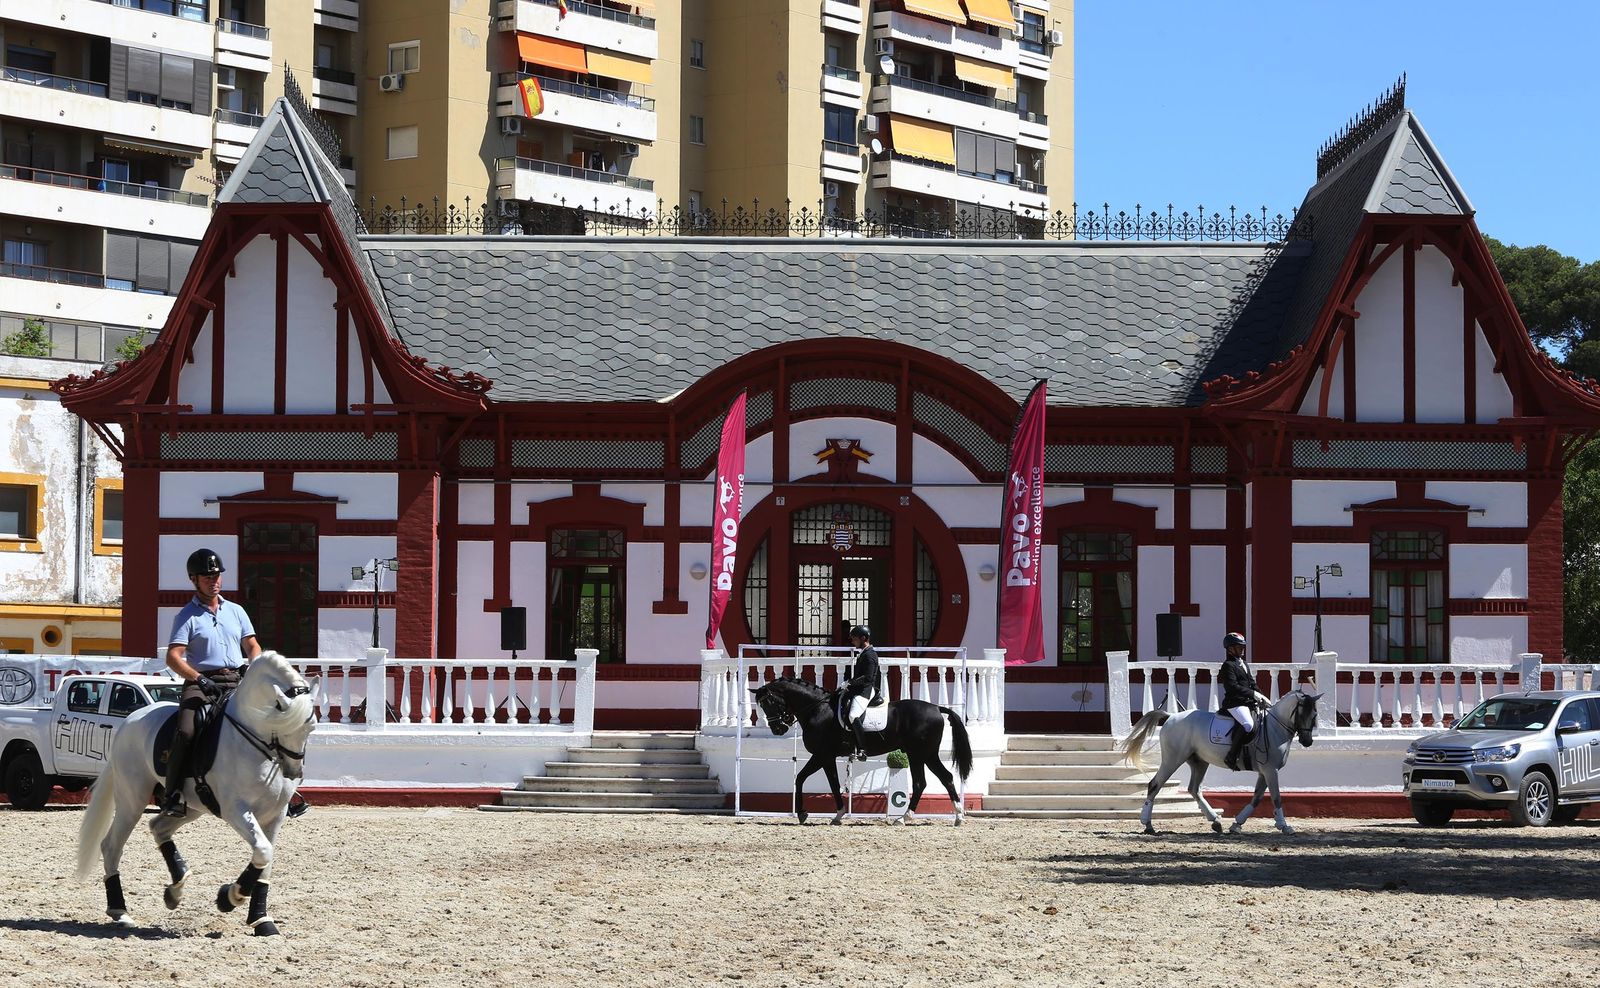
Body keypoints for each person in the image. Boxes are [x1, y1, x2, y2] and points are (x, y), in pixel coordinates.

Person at [161, 547, 262, 817]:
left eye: (217, 576)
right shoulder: (186, 616)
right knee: (186, 731)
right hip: (202, 683)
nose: (214, 581)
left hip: (237, 680)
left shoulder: (237, 611)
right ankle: (172, 794)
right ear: (194, 579)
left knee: (269, 721)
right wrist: (198, 679)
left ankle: (282, 788)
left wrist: (256, 668)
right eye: (207, 577)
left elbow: (252, 645)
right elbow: (173, 657)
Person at [1219, 631, 1268, 771]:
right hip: (1235, 703)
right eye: (1239, 647)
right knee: (1247, 724)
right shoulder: (1228, 665)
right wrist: (1252, 694)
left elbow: (1252, 683)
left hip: (1247, 702)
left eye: (1243, 646)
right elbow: (1232, 687)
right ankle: (1231, 756)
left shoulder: (1244, 664)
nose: (1242, 649)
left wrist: (1262, 696)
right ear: (1230, 649)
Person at [842, 624, 882, 761]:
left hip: (867, 690)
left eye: (854, 639)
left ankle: (863, 749)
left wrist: (851, 683)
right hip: (859, 688)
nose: (853, 641)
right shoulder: (864, 653)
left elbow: (868, 678)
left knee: (853, 715)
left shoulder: (870, 655)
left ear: (863, 638)